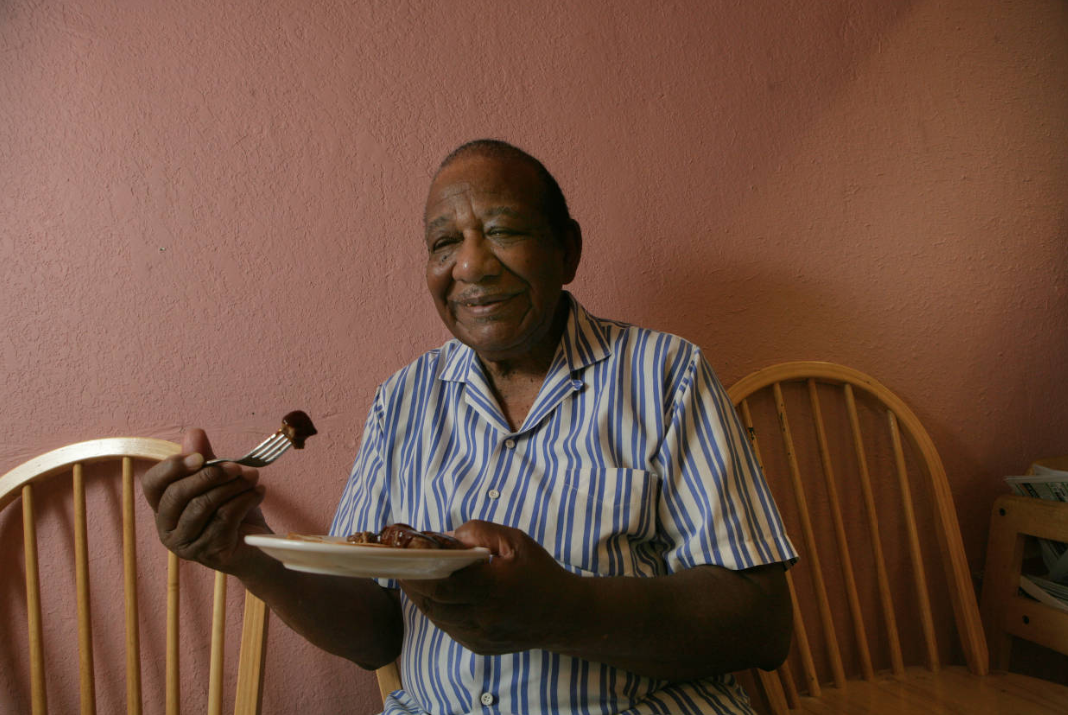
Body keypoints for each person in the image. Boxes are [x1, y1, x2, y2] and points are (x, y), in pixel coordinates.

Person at [142, 139, 798, 715]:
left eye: (504, 231)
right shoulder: (402, 399)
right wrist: (246, 550)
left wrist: (567, 609)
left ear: (567, 250)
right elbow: (375, 633)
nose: (472, 266)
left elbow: (761, 624)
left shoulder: (666, 374)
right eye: (445, 242)